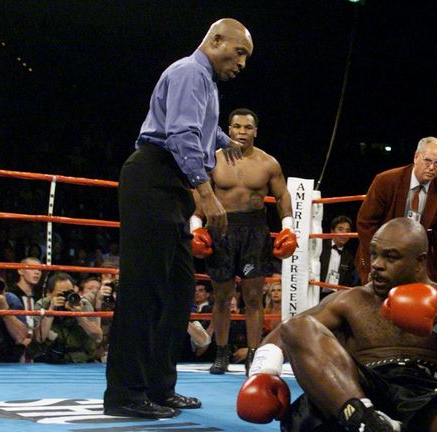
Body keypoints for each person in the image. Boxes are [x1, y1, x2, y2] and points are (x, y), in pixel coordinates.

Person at [104, 18, 253, 419]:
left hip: (169, 186)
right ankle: (124, 393)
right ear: (215, 40)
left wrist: (224, 141)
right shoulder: (190, 72)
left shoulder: (208, 84)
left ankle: (159, 387)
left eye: (246, 57)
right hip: (154, 177)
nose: (241, 62)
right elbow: (182, 134)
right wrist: (206, 193)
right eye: (238, 51)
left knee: (177, 292)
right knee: (145, 289)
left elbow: (199, 130)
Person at [236, 218, 437, 432]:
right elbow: (286, 333)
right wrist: (263, 372)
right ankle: (368, 423)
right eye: (374, 253)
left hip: (431, 398)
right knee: (298, 325)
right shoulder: (351, 300)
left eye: (391, 257)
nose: (376, 264)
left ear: (420, 261)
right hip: (360, 394)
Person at [192, 108, 297, 375]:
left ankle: (254, 355)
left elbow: (283, 197)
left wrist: (288, 228)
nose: (241, 132)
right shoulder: (212, 160)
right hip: (221, 229)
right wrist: (195, 227)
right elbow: (199, 196)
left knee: (253, 298)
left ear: (255, 131)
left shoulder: (268, 163)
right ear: (228, 129)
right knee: (222, 297)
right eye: (236, 126)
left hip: (254, 231)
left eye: (247, 127)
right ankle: (221, 354)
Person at [357, 137, 437, 286]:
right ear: (416, 157)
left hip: (413, 258)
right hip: (381, 252)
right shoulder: (386, 180)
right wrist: (374, 261)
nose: (431, 167)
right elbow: (366, 224)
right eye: (427, 160)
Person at [31, 272, 102, 363]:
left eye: (69, 292)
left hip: (81, 360)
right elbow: (39, 338)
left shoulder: (83, 303)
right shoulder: (43, 304)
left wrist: (79, 315)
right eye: (61, 294)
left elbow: (98, 337)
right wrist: (51, 311)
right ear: (49, 294)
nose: (66, 297)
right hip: (50, 359)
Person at [319, 215, 357, 299]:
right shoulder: (320, 247)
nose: (344, 234)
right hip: (315, 293)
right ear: (332, 231)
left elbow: (348, 282)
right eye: (340, 229)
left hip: (333, 298)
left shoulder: (349, 257)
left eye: (347, 230)